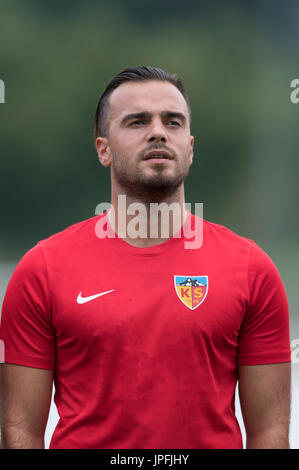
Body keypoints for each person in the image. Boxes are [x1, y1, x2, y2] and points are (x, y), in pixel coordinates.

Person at [0, 66, 291, 449]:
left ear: (190, 147)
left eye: (173, 121)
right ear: (103, 149)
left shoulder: (252, 271)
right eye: (137, 121)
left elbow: (270, 432)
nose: (158, 131)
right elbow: (19, 432)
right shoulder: (43, 270)